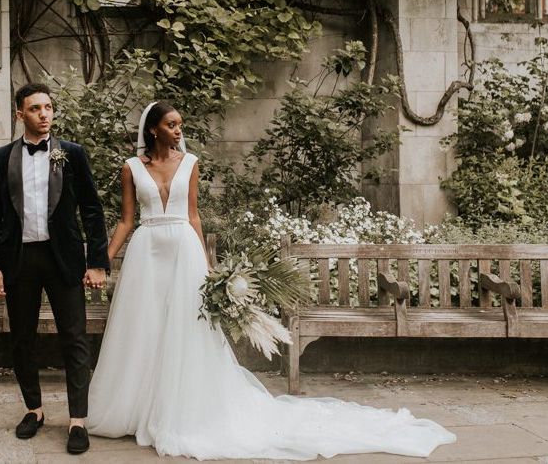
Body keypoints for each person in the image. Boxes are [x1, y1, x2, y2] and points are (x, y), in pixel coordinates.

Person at [86, 101, 456, 459]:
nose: (179, 130)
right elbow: (126, 220)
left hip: (184, 253)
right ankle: (138, 409)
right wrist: (101, 262)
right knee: (145, 330)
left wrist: (207, 265)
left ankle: (180, 408)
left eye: (180, 124)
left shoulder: (191, 163)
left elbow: (195, 217)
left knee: (186, 331)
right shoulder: (132, 167)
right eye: (171, 125)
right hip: (146, 254)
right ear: (153, 129)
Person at [0, 83, 110, 455]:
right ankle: (34, 411)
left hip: (63, 259)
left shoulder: (72, 154)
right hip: (19, 260)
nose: (44, 114)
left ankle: (77, 421)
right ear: (20, 114)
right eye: (35, 108)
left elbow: (92, 210)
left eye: (48, 107)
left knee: (75, 337)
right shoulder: (2, 157)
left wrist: (97, 262)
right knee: (22, 338)